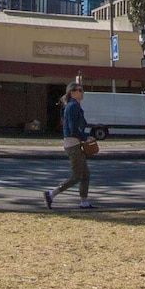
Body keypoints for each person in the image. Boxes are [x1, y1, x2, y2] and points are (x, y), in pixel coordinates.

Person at [43, 82, 93, 210]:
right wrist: (85, 138)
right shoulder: (72, 106)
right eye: (80, 90)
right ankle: (51, 194)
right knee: (77, 175)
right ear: (72, 92)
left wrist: (84, 138)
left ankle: (84, 201)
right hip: (73, 144)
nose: (82, 92)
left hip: (75, 142)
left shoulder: (75, 105)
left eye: (82, 90)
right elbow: (72, 129)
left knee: (85, 174)